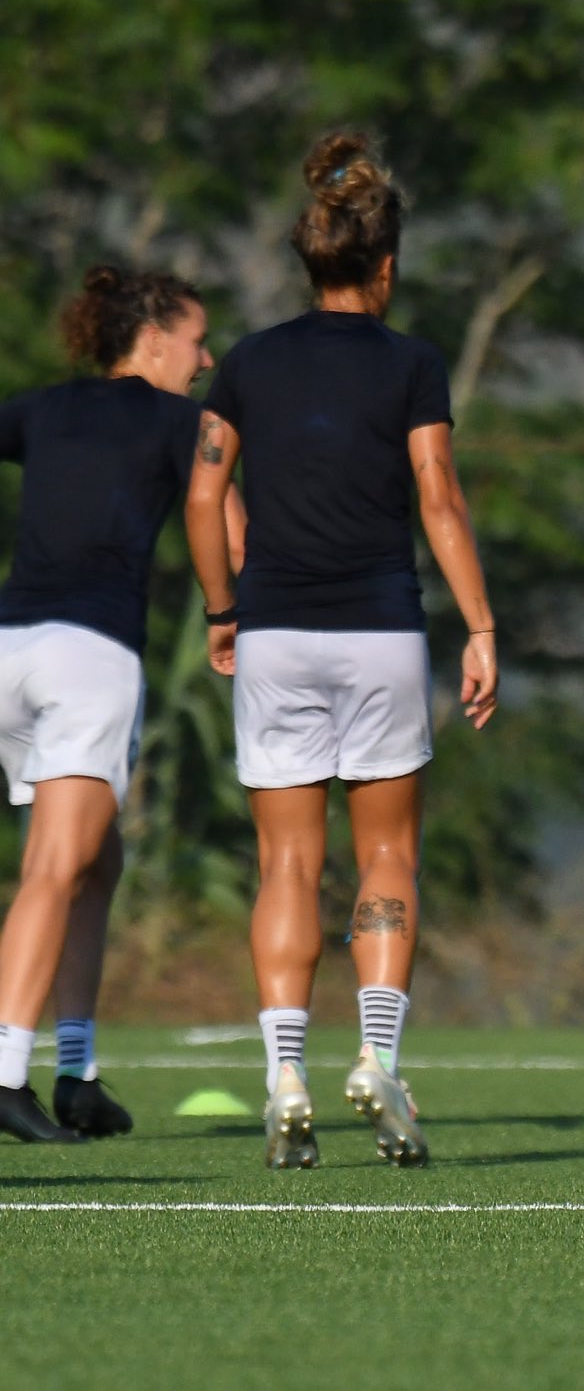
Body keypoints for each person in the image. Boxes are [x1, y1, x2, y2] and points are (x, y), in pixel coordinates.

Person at [186, 131, 497, 1170]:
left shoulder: (246, 363)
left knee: (285, 861)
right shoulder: (412, 363)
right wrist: (482, 626)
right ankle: (376, 1059)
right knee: (386, 857)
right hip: (379, 634)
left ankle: (284, 1072)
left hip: (272, 631)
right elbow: (439, 497)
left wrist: (223, 609)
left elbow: (201, 495)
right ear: (387, 266)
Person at [0, 267, 233, 1142]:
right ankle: (3, 1072)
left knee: (97, 865)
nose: (206, 358)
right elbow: (229, 523)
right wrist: (233, 612)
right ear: (152, 339)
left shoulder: (42, 408)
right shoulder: (184, 421)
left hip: (8, 649)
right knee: (55, 870)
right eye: (197, 339)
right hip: (86, 657)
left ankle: (78, 1074)